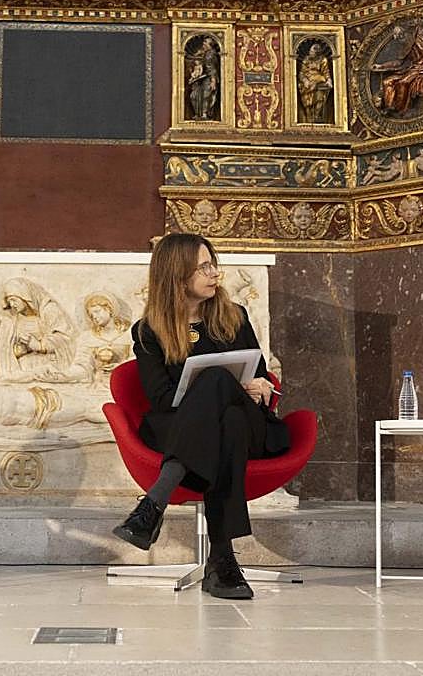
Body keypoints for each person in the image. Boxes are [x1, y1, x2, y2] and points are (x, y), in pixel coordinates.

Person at [112, 233, 291, 599]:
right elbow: (161, 400)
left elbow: (260, 379)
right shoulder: (149, 332)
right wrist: (218, 389)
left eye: (214, 264)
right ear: (177, 275)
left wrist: (261, 388)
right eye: (204, 267)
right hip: (193, 428)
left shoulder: (234, 316)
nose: (215, 274)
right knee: (227, 421)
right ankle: (222, 562)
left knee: (226, 400)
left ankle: (153, 505)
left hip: (245, 427)